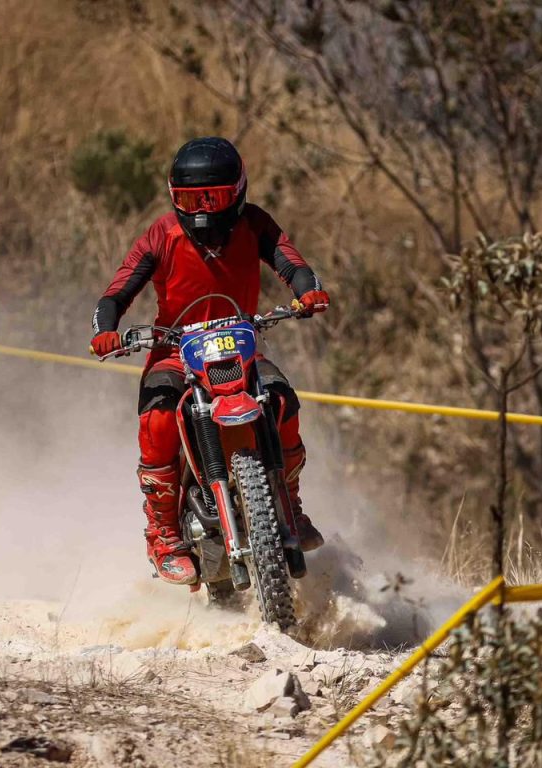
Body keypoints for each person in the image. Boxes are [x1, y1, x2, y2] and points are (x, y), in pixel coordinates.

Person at [89, 136, 329, 585]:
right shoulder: (161, 235)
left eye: (213, 198)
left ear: (237, 193)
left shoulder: (256, 225)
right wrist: (105, 330)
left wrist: (307, 291)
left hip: (242, 348)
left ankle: (289, 503)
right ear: (172, 198)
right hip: (175, 352)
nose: (201, 210)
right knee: (158, 417)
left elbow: (294, 264)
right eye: (189, 199)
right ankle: (162, 533)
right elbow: (116, 292)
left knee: (282, 403)